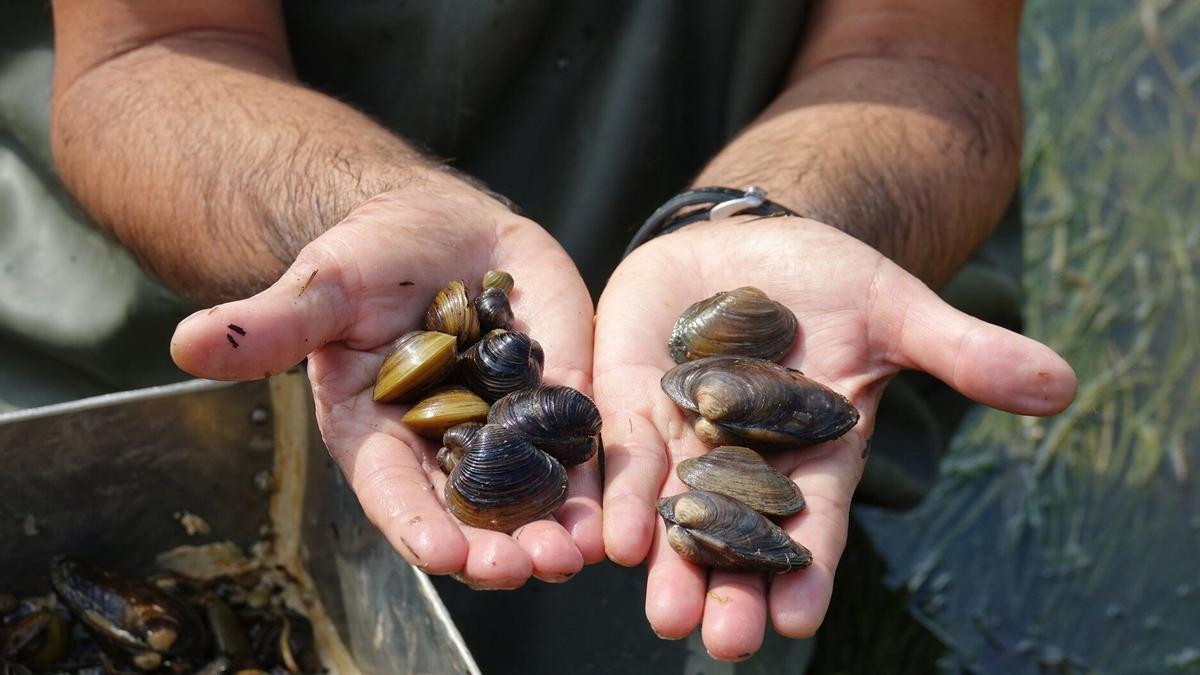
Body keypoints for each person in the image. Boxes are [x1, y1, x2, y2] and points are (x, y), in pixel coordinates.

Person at [42, 0, 1076, 662]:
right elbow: (148, 47)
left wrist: (762, 215)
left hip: (733, 152)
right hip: (254, 225)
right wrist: (363, 210)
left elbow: (923, 54)